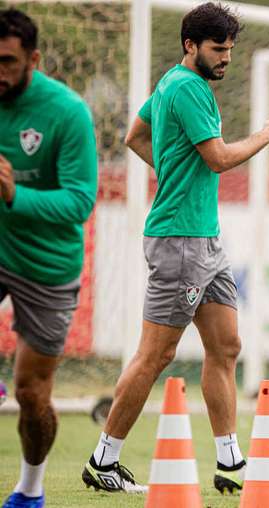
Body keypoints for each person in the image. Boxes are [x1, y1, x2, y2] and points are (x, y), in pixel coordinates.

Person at [82, 2, 269, 494]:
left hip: (203, 238)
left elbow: (136, 136)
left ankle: (230, 462)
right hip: (181, 242)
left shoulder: (169, 83)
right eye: (219, 49)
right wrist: (263, 135)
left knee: (226, 346)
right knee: (155, 354)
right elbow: (217, 159)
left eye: (231, 50)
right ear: (190, 45)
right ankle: (102, 461)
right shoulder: (190, 88)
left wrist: (172, 174)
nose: (227, 59)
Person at [0, 9, 97, 507]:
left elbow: (80, 202)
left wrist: (15, 193)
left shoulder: (67, 112)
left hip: (46, 262)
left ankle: (30, 491)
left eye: (6, 61)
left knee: (32, 394)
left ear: (33, 59)